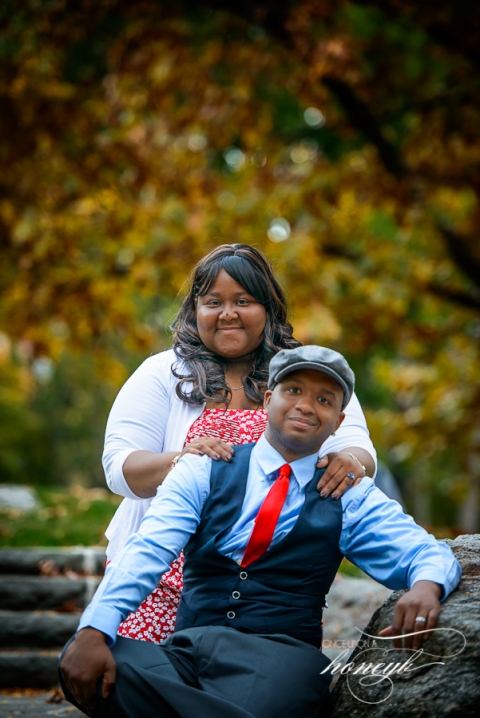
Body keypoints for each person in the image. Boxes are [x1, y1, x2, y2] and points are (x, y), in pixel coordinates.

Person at [60, 346, 461, 718]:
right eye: (294, 390)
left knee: (270, 699)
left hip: (280, 662)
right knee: (92, 664)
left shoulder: (348, 494)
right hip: (187, 652)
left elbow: (425, 552)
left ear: (338, 423)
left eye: (324, 400)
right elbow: (147, 549)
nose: (306, 406)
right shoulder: (202, 469)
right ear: (268, 400)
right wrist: (95, 627)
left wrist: (427, 587)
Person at [103, 244, 377, 644]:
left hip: (267, 595)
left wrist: (349, 463)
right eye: (214, 302)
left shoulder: (308, 372)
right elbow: (119, 467)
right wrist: (182, 462)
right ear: (195, 310)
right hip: (158, 584)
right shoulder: (162, 372)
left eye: (243, 301)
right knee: (150, 679)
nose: (227, 313)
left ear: (268, 308)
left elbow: (358, 449)